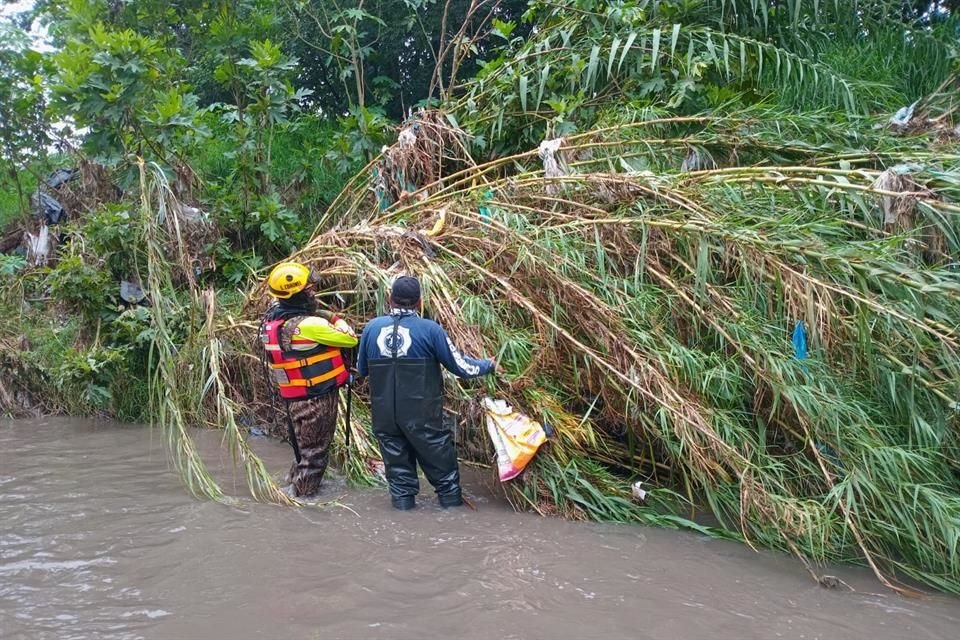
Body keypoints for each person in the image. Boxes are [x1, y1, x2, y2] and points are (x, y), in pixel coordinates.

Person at [357, 275, 495, 510]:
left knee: (399, 479)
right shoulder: (430, 330)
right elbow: (461, 367)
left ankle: (404, 518)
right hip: (421, 415)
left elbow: (362, 369)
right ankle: (453, 517)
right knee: (444, 475)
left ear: (390, 299)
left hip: (384, 417)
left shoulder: (372, 328)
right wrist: (488, 365)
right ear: (419, 302)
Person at [260, 262, 358, 497]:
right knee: (314, 457)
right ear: (298, 294)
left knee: (303, 452)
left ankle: (293, 489)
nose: (313, 292)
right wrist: (334, 317)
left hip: (295, 399)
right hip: (317, 399)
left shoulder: (272, 323)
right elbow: (350, 339)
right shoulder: (311, 325)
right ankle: (304, 505)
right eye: (309, 289)